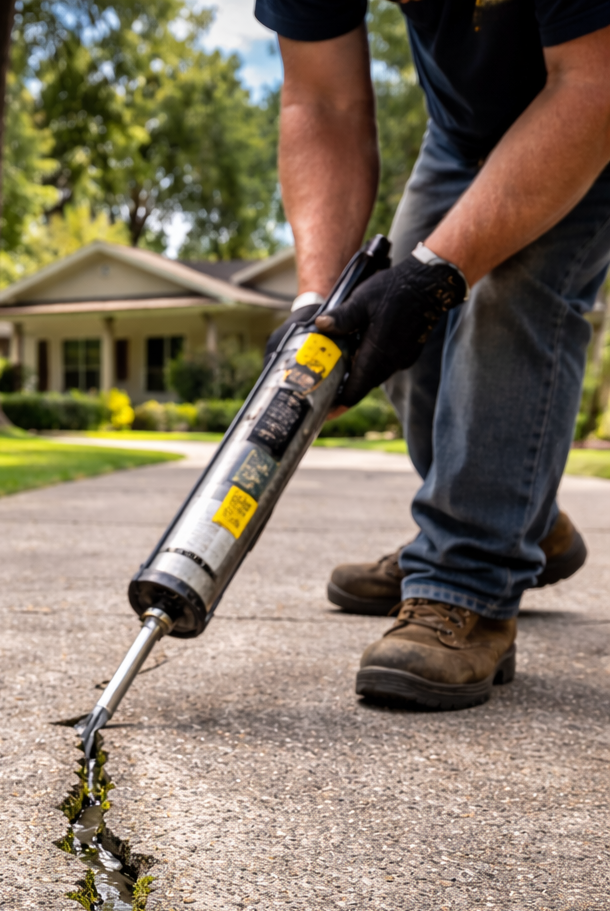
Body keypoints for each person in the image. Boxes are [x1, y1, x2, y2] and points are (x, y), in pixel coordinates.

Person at [256, 0, 610, 709]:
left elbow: (593, 83)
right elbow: (321, 101)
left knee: (512, 295)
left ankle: (468, 578)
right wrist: (319, 307)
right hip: (460, 135)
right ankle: (516, 518)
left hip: (588, 97)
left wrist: (437, 276)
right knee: (398, 337)